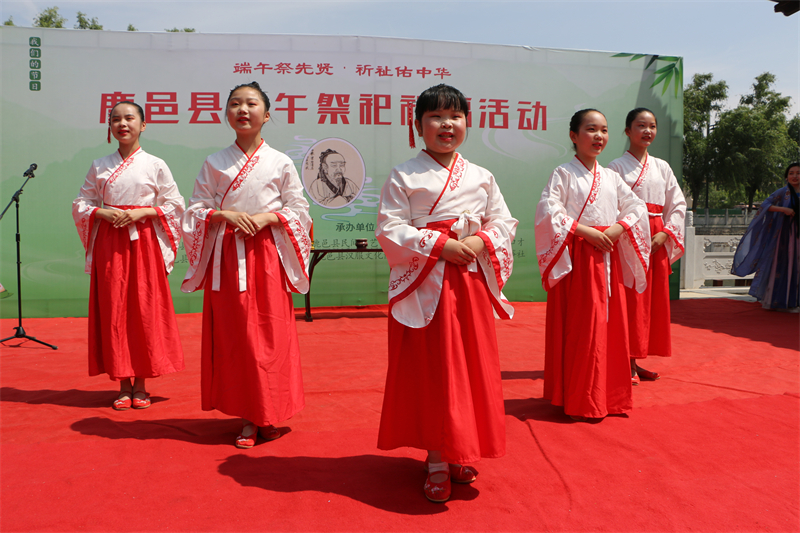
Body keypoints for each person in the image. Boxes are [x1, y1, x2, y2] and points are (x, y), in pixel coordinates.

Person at [376, 84, 518, 503]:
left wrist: (479, 243)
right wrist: (439, 245)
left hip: (468, 281)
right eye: (436, 116)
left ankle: (460, 448)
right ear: (418, 125)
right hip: (426, 282)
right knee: (434, 370)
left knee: (469, 367)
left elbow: (504, 223)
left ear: (467, 123)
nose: (447, 125)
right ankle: (436, 458)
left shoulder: (482, 176)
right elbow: (389, 227)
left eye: (455, 116)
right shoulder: (405, 174)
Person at [181, 82, 311, 448]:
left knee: (270, 335)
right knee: (237, 336)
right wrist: (224, 214)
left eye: (251, 104)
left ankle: (268, 409)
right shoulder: (215, 163)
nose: (243, 109)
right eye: (235, 104)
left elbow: (298, 210)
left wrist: (270, 219)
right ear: (226, 115)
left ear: (266, 115)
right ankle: (247, 415)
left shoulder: (280, 161)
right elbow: (195, 209)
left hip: (267, 254)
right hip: (228, 257)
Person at [535, 109, 650, 422]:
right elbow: (549, 211)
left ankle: (608, 396)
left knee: (608, 327)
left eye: (604, 130)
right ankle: (579, 397)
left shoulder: (611, 177)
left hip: (607, 254)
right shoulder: (563, 173)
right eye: (590, 130)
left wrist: (617, 228)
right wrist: (584, 232)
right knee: (583, 329)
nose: (599, 136)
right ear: (574, 136)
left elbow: (636, 206)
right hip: (578, 259)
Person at [72, 100, 185, 410]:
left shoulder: (156, 164)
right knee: (115, 309)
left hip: (144, 242)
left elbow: (175, 205)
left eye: (129, 118)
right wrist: (101, 212)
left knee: (143, 309)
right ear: (110, 127)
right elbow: (81, 203)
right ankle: (123, 382)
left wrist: (143, 213)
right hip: (111, 242)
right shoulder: (99, 165)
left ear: (143, 125)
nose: (123, 124)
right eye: (116, 119)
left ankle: (142, 384)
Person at [608, 108, 686, 384]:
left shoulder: (662, 167)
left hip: (656, 237)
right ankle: (624, 360)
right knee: (631, 299)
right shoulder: (615, 167)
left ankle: (636, 358)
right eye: (641, 125)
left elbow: (677, 203)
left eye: (652, 126)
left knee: (650, 302)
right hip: (629, 238)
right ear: (628, 131)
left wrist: (665, 233)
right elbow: (610, 205)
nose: (648, 131)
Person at [732, 162, 800, 311]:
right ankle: (783, 300)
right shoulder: (783, 192)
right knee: (785, 265)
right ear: (787, 177)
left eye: (798, 173)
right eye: (791, 173)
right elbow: (765, 205)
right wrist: (783, 209)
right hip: (785, 236)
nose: (795, 176)